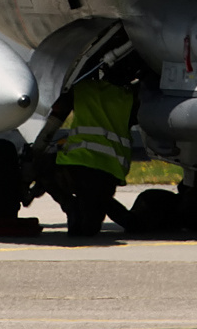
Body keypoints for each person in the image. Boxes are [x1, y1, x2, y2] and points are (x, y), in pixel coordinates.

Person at [48, 74, 136, 237]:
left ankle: (69, 206)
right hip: (108, 169)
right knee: (95, 211)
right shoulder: (128, 97)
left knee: (43, 165)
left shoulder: (81, 89)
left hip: (76, 165)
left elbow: (56, 111)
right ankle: (80, 211)